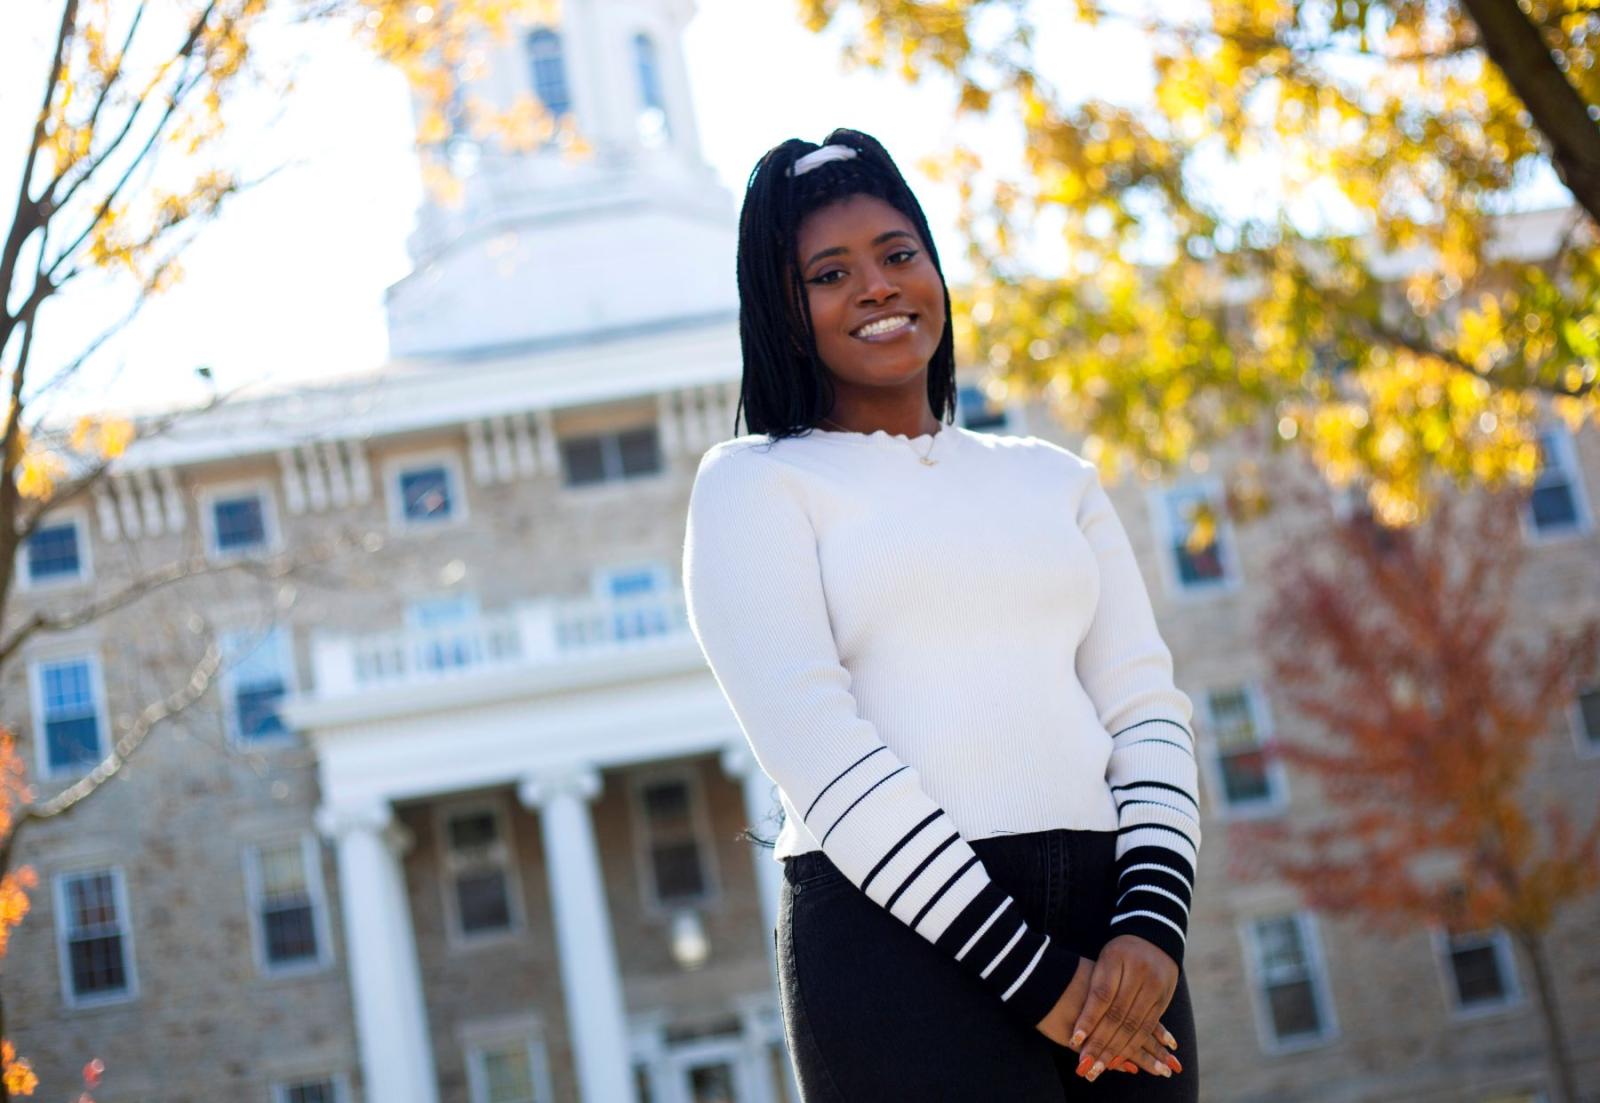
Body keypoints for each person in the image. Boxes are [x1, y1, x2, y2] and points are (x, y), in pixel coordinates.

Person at [681, 128, 1200, 1100]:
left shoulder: (1055, 479)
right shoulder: (753, 484)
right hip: (894, 943)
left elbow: (1146, 710)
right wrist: (1037, 978)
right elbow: (820, 748)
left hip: (1117, 935)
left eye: (898, 253)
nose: (876, 285)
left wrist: (1151, 926)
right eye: (828, 272)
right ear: (782, 314)